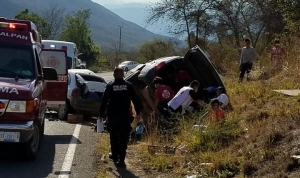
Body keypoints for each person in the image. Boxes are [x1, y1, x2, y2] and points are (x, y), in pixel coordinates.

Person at [99, 67, 141, 168]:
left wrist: (101, 115)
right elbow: (136, 99)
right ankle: (122, 160)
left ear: (114, 75)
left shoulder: (110, 85)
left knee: (113, 136)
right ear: (123, 75)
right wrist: (138, 113)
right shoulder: (129, 85)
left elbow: (104, 101)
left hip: (113, 116)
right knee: (123, 138)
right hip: (125, 116)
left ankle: (115, 156)